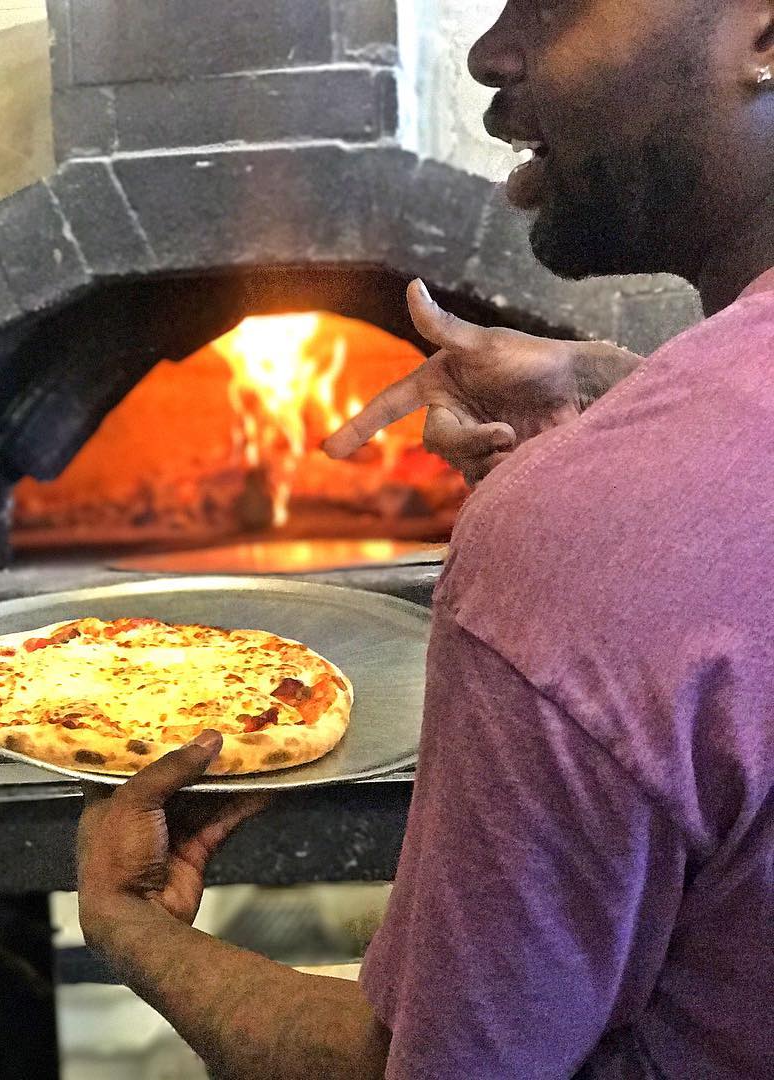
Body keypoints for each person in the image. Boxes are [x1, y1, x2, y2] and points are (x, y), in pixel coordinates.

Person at [76, 0, 774, 1075]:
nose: (493, 50)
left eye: (555, 3)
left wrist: (138, 931)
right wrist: (634, 399)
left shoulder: (574, 544)